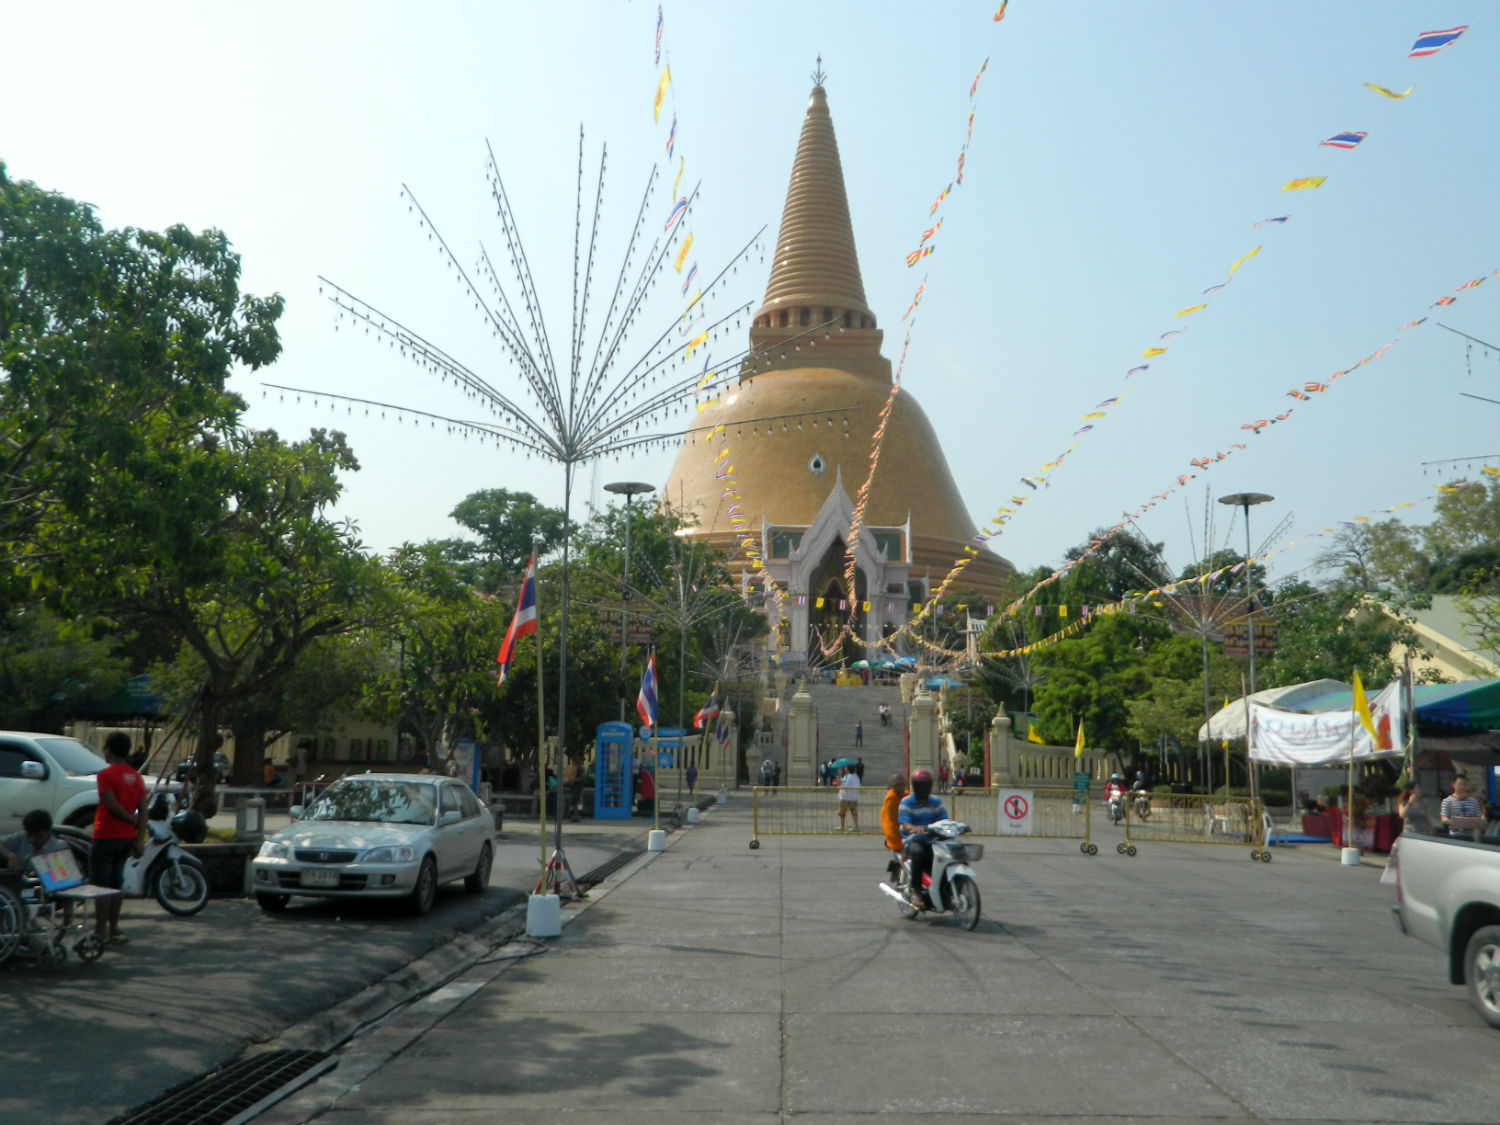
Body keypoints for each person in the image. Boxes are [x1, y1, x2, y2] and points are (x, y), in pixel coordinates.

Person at [93, 731, 148, 946]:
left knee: (100, 885)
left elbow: (111, 805)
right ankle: (114, 929)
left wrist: (130, 821)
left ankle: (100, 932)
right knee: (116, 883)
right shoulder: (136, 777)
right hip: (126, 839)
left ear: (109, 750)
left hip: (105, 835)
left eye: (104, 748)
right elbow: (144, 810)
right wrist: (139, 838)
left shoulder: (105, 775)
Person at [897, 768, 949, 909]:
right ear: (915, 786)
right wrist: (914, 828)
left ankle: (946, 888)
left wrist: (958, 827)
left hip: (933, 840)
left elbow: (944, 819)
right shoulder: (906, 802)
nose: (924, 789)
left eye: (927, 785)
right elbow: (905, 823)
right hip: (913, 840)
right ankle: (916, 891)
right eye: (921, 785)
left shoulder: (935, 801)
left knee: (950, 856)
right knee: (919, 854)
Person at [0, 809, 71, 870]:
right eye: (29, 834)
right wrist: (10, 855)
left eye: (37, 835)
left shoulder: (59, 848)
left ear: (49, 832)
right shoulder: (22, 836)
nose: (32, 839)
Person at [1439, 775, 1484, 840]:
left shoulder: (1474, 801)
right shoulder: (1447, 801)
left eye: (1465, 784)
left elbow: (1480, 817)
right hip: (1455, 836)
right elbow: (1443, 818)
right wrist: (1454, 822)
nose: (1463, 787)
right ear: (1453, 785)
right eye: (1460, 784)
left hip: (1471, 836)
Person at [880, 773, 908, 864]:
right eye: (896, 785)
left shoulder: (908, 796)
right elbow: (889, 824)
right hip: (897, 840)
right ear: (891, 786)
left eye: (902, 785)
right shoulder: (891, 799)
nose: (900, 788)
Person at [836, 764, 861, 832]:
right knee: (854, 813)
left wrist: (840, 782)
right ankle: (856, 827)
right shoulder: (856, 777)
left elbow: (845, 785)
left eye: (846, 768)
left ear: (848, 769)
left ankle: (842, 826)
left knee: (842, 813)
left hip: (845, 797)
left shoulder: (848, 777)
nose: (845, 769)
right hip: (854, 798)